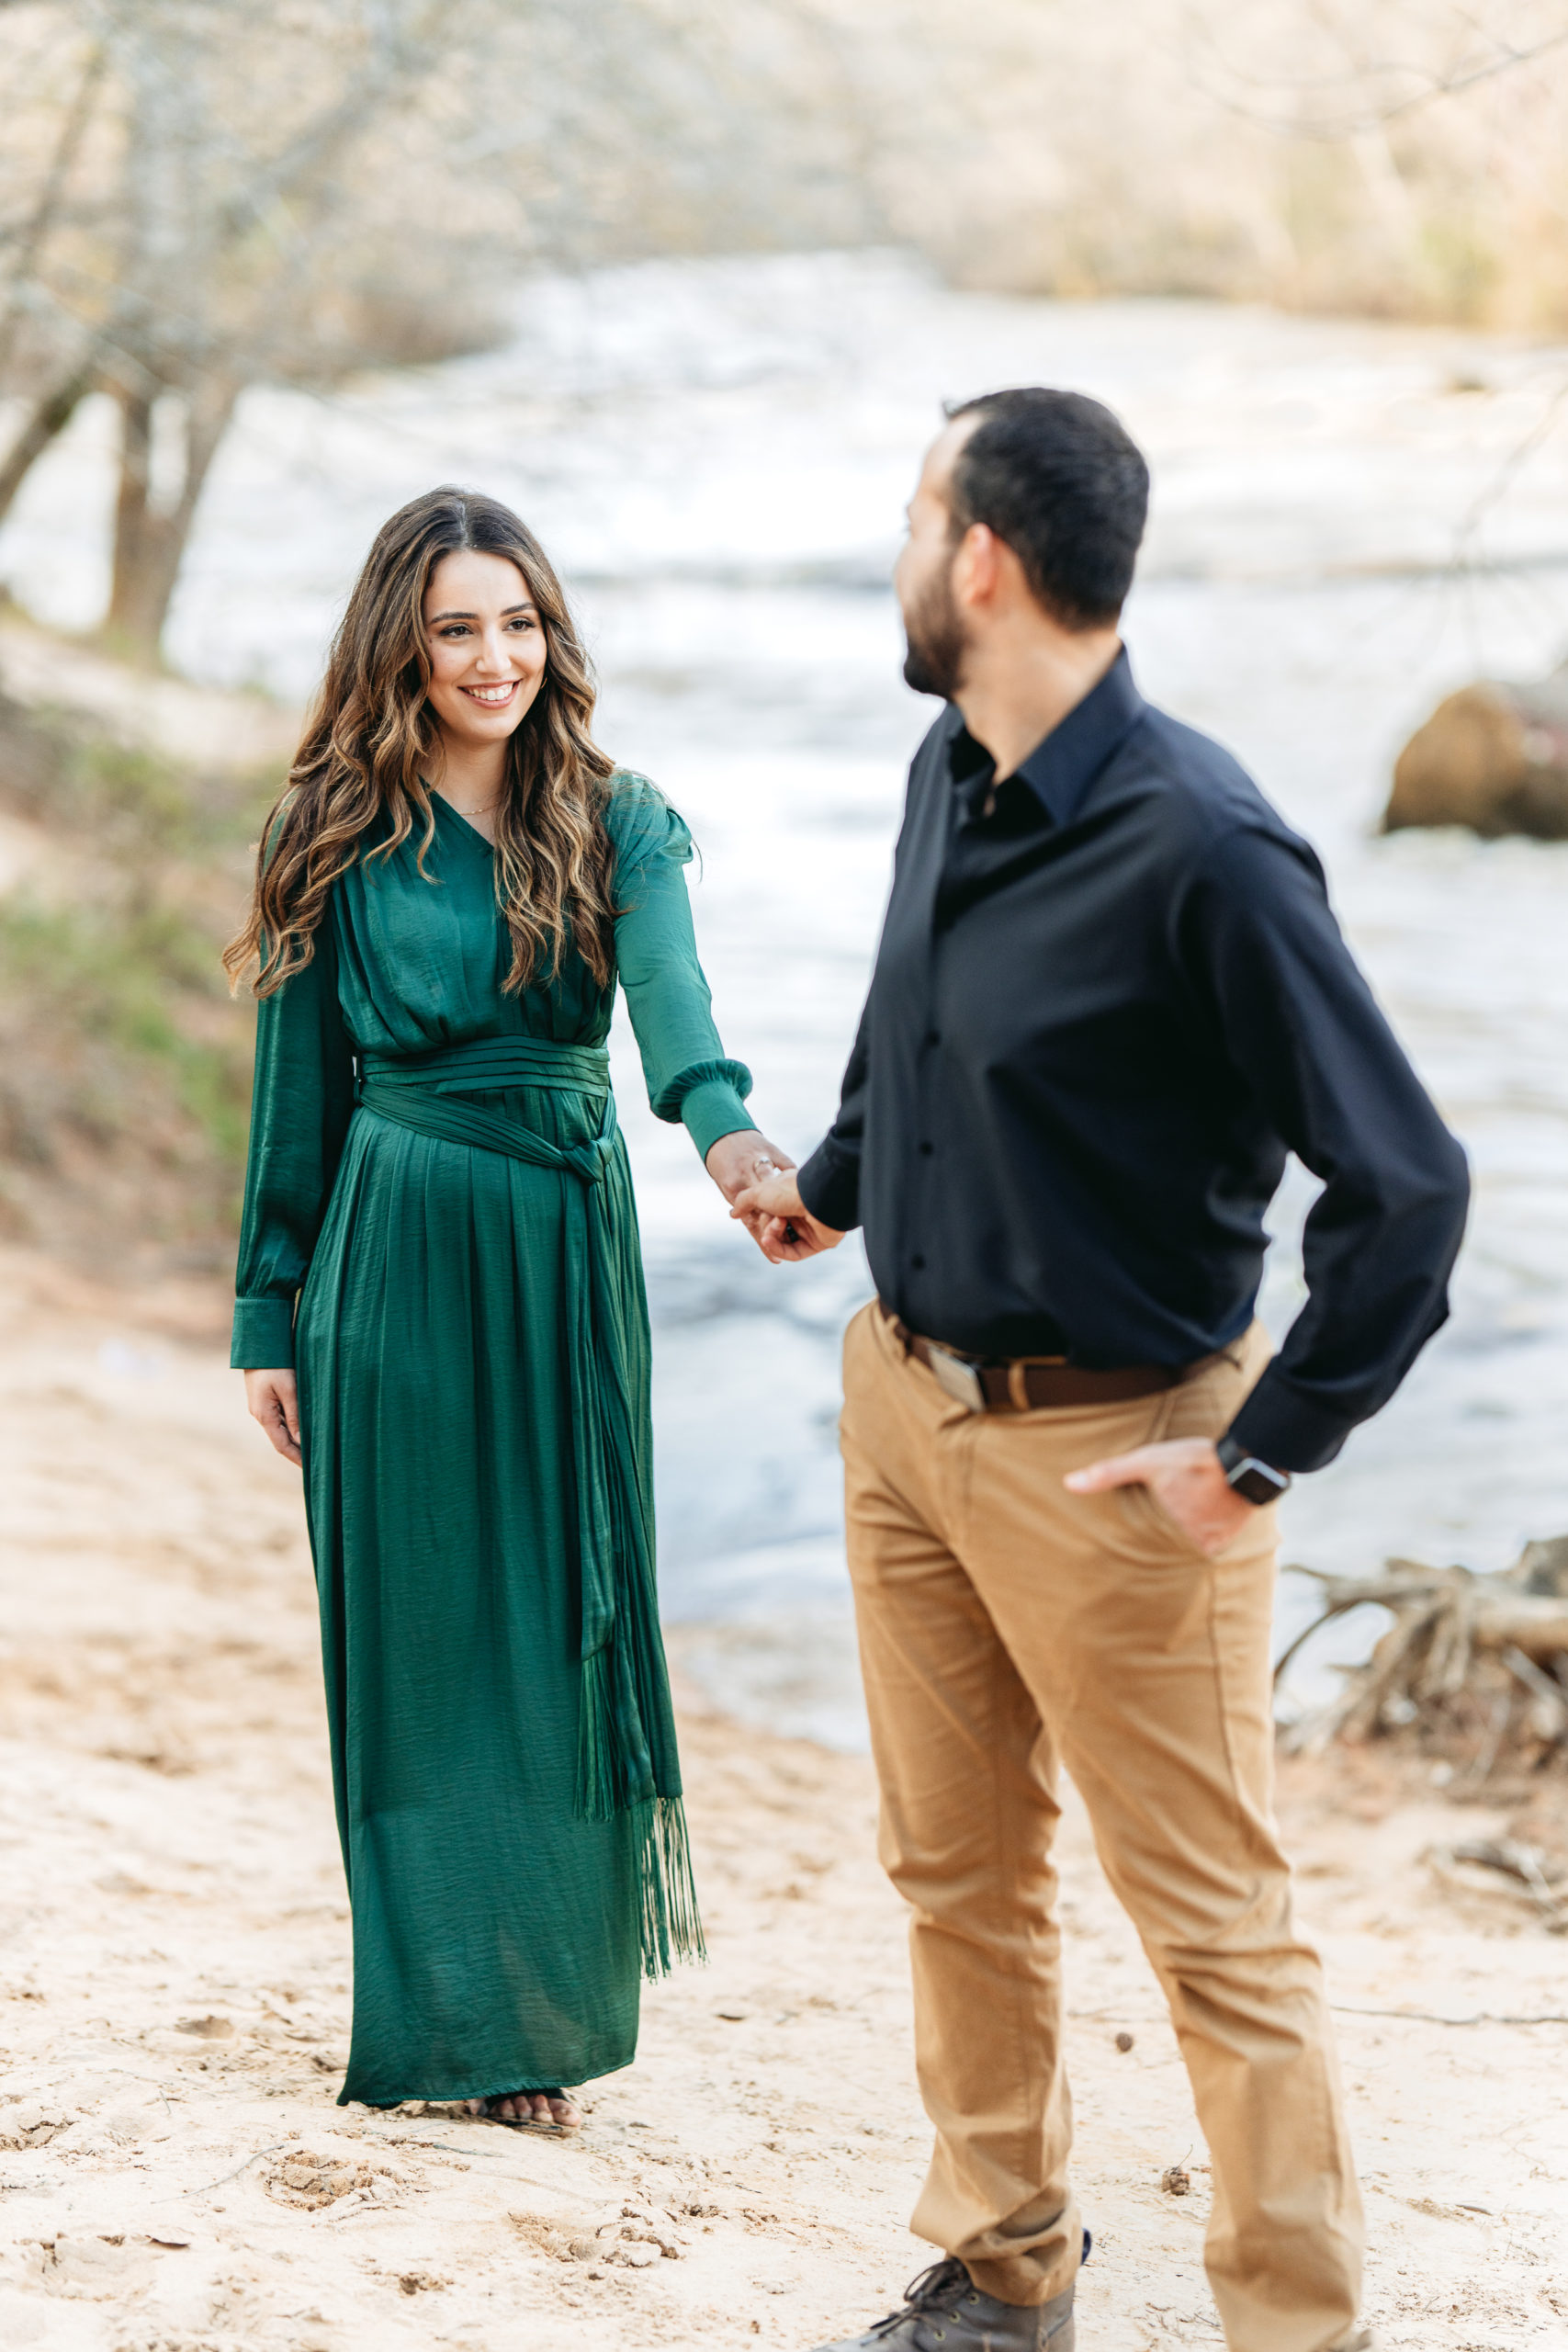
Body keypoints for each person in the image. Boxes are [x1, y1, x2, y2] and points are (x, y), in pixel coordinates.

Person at [734, 390, 1469, 2352]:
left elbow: (1404, 1187)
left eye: (912, 514)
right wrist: (829, 1188)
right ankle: (1001, 2267)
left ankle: (1292, 2326)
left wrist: (1259, 1454)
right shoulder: (944, 766)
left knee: (1212, 1926)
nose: (899, 552)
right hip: (901, 1406)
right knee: (952, 1862)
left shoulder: (1206, 846)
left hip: (1123, 1454)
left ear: (979, 557)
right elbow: (914, 1029)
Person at [226, 486, 790, 2124]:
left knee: (564, 1617)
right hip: (389, 1245)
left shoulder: (621, 818)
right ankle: (447, 2019)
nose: (495, 657)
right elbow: (294, 1095)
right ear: (402, 639)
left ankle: (539, 2024)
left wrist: (733, 1137)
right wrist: (271, 1312)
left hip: (563, 1241)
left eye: (521, 623)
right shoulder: (326, 831)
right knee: (416, 1640)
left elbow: (674, 1002)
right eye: (461, 625)